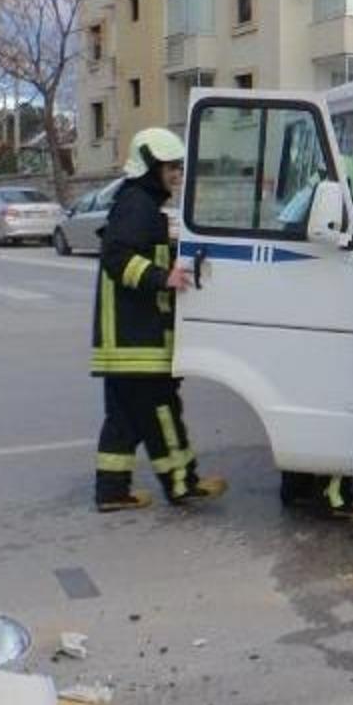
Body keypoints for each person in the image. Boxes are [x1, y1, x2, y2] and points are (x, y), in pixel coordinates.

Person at [91, 127, 226, 512]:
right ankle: (183, 484)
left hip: (121, 343)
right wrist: (161, 277)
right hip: (138, 340)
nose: (177, 174)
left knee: (123, 419)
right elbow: (117, 256)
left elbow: (130, 250)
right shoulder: (138, 205)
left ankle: (112, 492)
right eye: (170, 167)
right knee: (162, 410)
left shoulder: (134, 202)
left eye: (179, 166)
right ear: (150, 168)